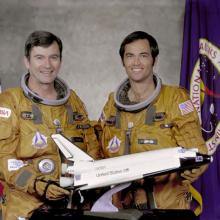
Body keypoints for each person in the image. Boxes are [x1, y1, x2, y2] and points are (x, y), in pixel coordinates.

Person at [99, 31, 208, 212]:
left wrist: (194, 166)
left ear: (154, 60)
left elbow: (196, 149)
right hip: (121, 207)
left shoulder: (175, 99)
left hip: (166, 206)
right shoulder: (113, 103)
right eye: (130, 56)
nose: (136, 63)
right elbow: (100, 150)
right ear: (123, 62)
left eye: (143, 56)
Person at [0, 30, 101, 220]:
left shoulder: (73, 101)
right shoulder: (9, 102)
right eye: (39, 57)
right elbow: (3, 158)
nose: (47, 65)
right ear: (27, 62)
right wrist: (38, 184)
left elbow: (92, 147)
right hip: (26, 210)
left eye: (53, 57)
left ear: (60, 61)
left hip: (74, 206)